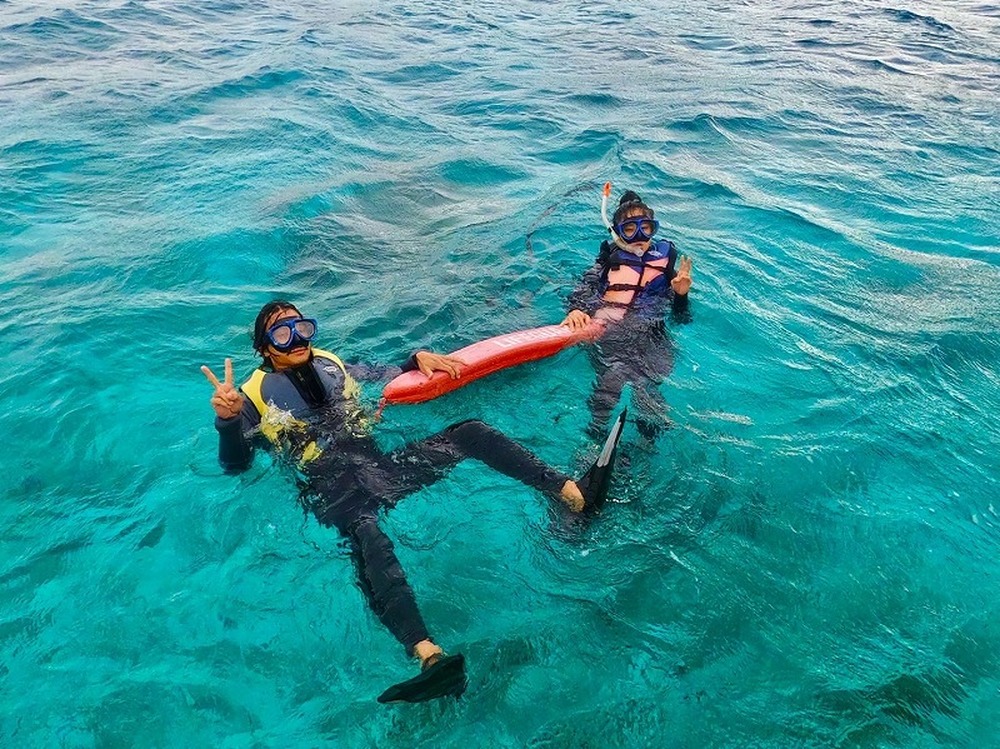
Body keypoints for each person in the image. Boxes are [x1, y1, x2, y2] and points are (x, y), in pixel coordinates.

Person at [201, 300, 620, 704]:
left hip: (379, 469)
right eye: (282, 332)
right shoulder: (250, 398)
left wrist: (415, 358)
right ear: (265, 348)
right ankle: (428, 656)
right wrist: (227, 421)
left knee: (468, 432)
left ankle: (572, 494)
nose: (297, 338)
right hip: (333, 492)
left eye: (302, 327)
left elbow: (382, 371)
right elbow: (235, 465)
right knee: (369, 536)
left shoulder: (331, 364)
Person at [561, 189, 693, 440]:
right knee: (613, 378)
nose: (639, 237)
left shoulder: (666, 270)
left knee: (649, 387)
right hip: (614, 331)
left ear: (653, 229)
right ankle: (595, 435)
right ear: (617, 233)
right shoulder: (606, 264)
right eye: (630, 230)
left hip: (652, 333)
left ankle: (646, 442)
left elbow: (681, 319)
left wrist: (681, 296)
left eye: (646, 228)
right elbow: (584, 289)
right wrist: (576, 310)